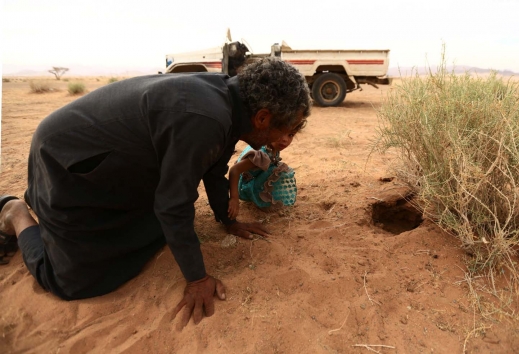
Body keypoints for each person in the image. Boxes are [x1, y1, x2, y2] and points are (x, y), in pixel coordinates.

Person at [0, 57, 311, 328]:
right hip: (66, 164)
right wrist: (197, 278)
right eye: (290, 129)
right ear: (263, 118)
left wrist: (226, 220)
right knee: (72, 280)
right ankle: (17, 214)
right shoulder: (206, 118)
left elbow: (214, 169)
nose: (287, 139)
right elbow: (173, 205)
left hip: (108, 166)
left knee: (157, 232)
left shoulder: (229, 102)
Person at [227, 127, 303, 219]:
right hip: (244, 187)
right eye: (281, 132)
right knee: (279, 171)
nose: (285, 139)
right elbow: (234, 170)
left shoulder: (271, 146)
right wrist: (234, 198)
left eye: (290, 135)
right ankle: (256, 196)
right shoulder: (261, 155)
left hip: (253, 179)